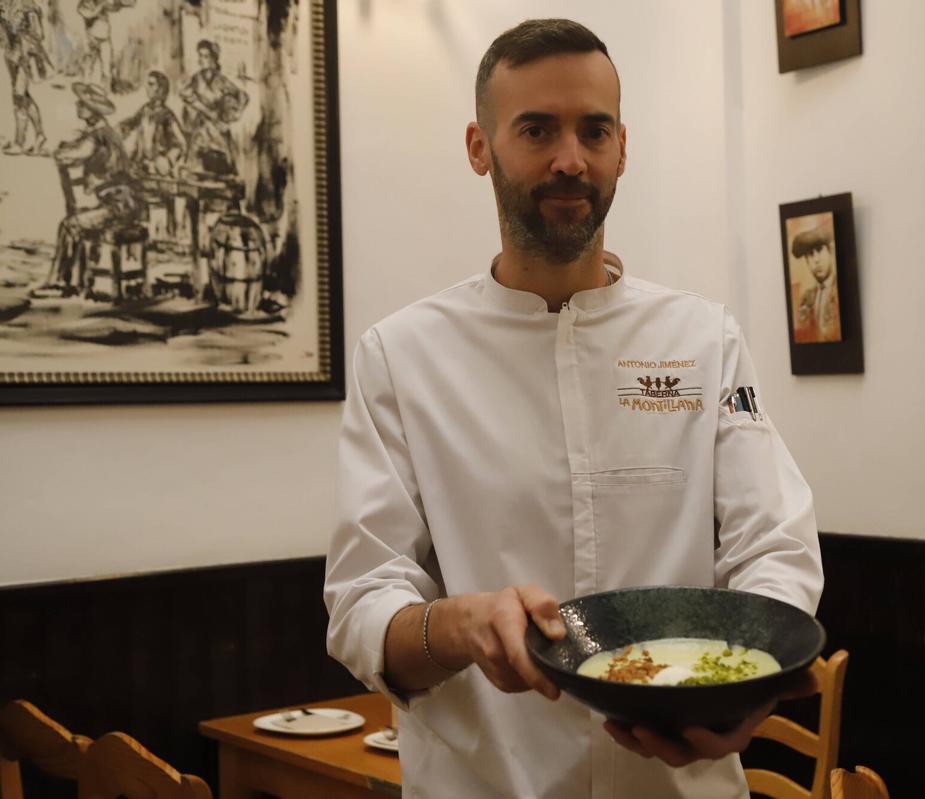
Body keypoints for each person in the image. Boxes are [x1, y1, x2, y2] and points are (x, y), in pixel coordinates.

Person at [324, 19, 823, 799]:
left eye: (594, 130)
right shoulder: (401, 355)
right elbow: (361, 601)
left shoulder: (703, 339)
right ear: (479, 146)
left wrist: (750, 680)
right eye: (536, 129)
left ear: (622, 146)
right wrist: (461, 624)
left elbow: (775, 542)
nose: (570, 159)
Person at [33, 82, 139, 297]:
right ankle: (76, 279)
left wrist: (59, 153)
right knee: (76, 221)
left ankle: (60, 282)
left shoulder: (99, 135)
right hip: (119, 203)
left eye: (83, 103)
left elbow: (76, 154)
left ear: (93, 110)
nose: (78, 105)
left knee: (69, 225)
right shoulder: (104, 133)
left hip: (117, 207)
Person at [180, 39, 248, 176]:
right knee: (195, 169)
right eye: (200, 55)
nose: (202, 59)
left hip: (217, 128)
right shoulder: (196, 79)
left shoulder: (221, 80)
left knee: (222, 168)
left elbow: (243, 96)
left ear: (213, 59)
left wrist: (232, 115)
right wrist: (200, 108)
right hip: (201, 128)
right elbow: (184, 94)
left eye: (206, 56)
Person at [0, 0, 47, 155]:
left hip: (25, 56)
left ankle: (19, 142)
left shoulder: (28, 5)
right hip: (11, 54)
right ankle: (39, 135)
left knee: (19, 95)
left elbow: (39, 34)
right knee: (21, 97)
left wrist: (22, 37)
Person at [119, 70, 185, 176]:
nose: (147, 88)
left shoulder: (167, 115)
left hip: (158, 168)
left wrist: (168, 161)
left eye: (151, 84)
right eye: (148, 84)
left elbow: (180, 144)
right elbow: (132, 123)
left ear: (160, 88)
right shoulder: (145, 110)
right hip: (141, 165)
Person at [791, 225, 841, 343]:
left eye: (819, 250)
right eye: (810, 254)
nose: (816, 260)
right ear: (807, 262)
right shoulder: (806, 298)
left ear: (829, 251)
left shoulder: (841, 291)